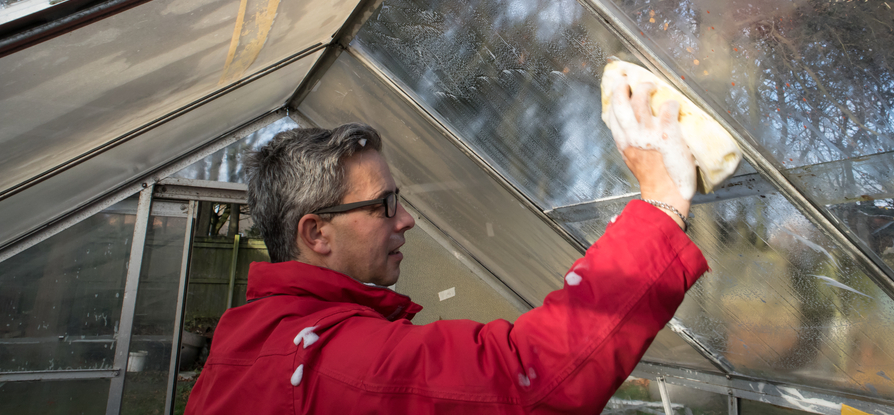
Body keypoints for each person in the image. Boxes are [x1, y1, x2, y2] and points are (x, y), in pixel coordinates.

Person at [184, 82, 708, 414]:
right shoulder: (329, 362)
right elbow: (527, 381)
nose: (407, 219)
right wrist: (660, 206)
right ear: (316, 233)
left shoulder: (243, 345)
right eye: (384, 205)